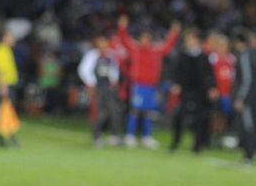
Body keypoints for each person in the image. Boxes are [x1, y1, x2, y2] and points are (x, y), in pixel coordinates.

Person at [117, 15, 179, 148]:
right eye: (143, 39)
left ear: (150, 40)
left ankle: (146, 137)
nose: (145, 41)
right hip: (138, 86)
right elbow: (124, 40)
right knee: (135, 110)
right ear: (139, 40)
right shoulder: (135, 50)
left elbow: (168, 45)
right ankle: (130, 135)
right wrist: (122, 27)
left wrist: (174, 32)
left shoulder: (156, 51)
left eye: (147, 39)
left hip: (151, 87)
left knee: (148, 112)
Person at [169, 28, 216, 153]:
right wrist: (176, 84)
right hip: (185, 91)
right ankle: (175, 141)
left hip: (200, 92)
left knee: (200, 118)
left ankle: (198, 145)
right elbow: (176, 72)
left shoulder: (204, 57)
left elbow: (209, 74)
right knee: (179, 115)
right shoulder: (182, 55)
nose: (189, 42)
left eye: (191, 39)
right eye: (187, 40)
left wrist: (211, 88)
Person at [77, 35, 121, 146]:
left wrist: (114, 81)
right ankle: (96, 137)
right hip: (98, 87)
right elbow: (83, 70)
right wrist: (91, 83)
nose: (103, 45)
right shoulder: (92, 55)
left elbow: (114, 69)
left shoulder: (111, 54)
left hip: (109, 87)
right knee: (100, 113)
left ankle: (114, 136)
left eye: (104, 43)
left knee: (114, 111)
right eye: (100, 43)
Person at [234, 31, 256, 164]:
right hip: (255, 97)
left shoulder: (245, 55)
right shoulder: (254, 55)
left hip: (248, 98)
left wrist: (240, 98)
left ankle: (249, 155)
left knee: (248, 125)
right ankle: (251, 153)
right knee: (252, 124)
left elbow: (247, 79)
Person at [0, 31, 20, 147]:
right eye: (11, 37)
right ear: (4, 38)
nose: (13, 40)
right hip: (5, 86)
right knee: (6, 112)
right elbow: (0, 70)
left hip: (8, 85)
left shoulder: (6, 50)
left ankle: (1, 138)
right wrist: (3, 87)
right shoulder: (1, 50)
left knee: (3, 112)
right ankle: (10, 136)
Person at [209, 34, 236, 145]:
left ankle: (220, 136)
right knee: (215, 114)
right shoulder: (212, 58)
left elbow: (234, 76)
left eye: (224, 45)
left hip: (227, 93)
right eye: (220, 45)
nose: (222, 48)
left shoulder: (232, 59)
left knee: (224, 115)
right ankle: (212, 136)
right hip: (216, 92)